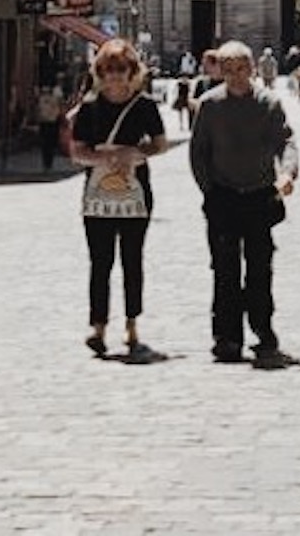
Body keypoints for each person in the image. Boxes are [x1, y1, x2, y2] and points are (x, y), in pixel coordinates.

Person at [189, 41, 300, 367]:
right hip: (223, 197)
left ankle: (263, 329)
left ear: (252, 68)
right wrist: (209, 190)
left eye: (241, 69)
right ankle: (226, 337)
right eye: (229, 70)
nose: (236, 76)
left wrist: (288, 173)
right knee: (224, 270)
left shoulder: (269, 104)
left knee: (260, 268)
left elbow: (286, 141)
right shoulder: (210, 106)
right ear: (219, 72)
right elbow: (198, 154)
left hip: (259, 196)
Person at [69, 39, 171, 362]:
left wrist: (135, 153)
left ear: (132, 72)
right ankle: (98, 326)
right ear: (99, 72)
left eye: (120, 70)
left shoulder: (145, 106)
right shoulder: (89, 107)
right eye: (108, 70)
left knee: (132, 259)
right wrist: (102, 158)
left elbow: (161, 143)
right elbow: (77, 151)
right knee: (100, 262)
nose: (114, 76)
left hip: (135, 193)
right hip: (98, 194)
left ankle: (132, 324)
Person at [36, 83, 68, 172]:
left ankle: (47, 163)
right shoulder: (44, 99)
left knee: (48, 144)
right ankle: (47, 163)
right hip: (47, 122)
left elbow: (57, 109)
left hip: (50, 122)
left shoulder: (47, 99)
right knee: (47, 144)